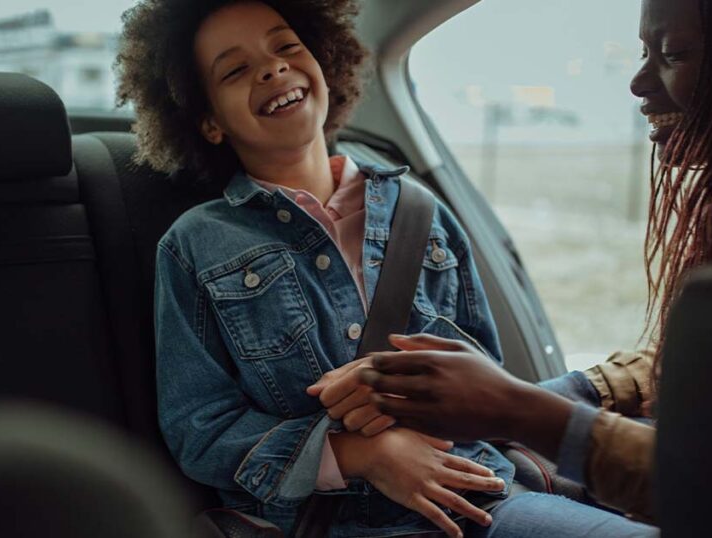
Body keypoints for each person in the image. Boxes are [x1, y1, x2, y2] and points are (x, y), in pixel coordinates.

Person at [310, 0, 712, 535]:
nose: (638, 82)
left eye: (673, 54)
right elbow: (710, 372)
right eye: (644, 52)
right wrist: (570, 391)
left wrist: (521, 409)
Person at [116, 1, 615, 536]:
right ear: (209, 121)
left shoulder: (421, 211)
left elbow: (484, 374)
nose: (272, 68)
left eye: (286, 47)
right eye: (235, 70)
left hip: (479, 501)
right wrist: (361, 453)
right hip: (335, 524)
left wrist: (398, 388)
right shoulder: (195, 245)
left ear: (324, 62)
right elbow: (201, 431)